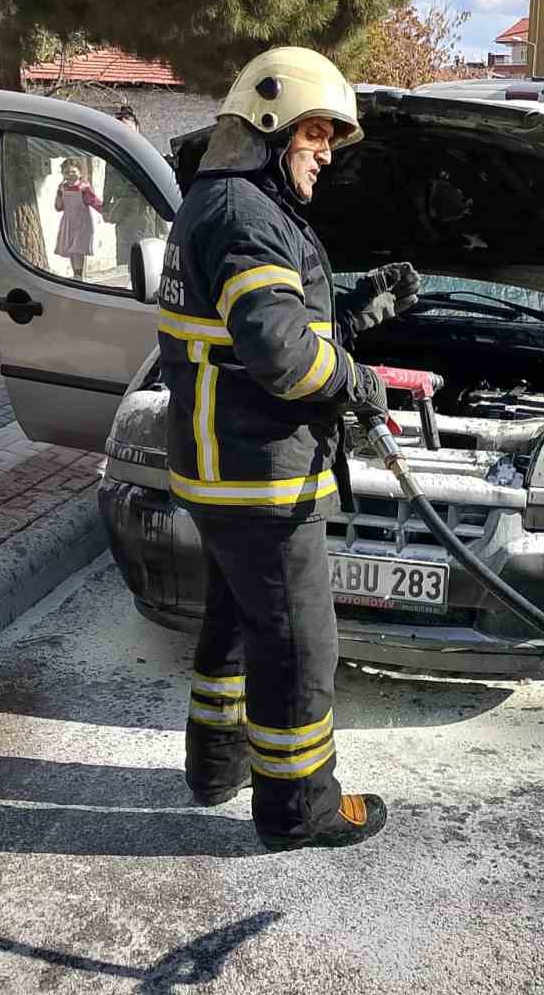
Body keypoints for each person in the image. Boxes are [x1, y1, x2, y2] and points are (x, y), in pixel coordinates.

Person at [159, 46, 419, 851]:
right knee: (302, 642)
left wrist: (360, 310)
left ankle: (216, 765)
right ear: (270, 126)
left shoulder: (224, 202)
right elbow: (281, 354)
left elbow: (267, 325)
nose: (327, 152)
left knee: (237, 624)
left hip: (219, 468)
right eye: (316, 133)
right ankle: (301, 807)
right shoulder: (246, 213)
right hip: (257, 476)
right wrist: (361, 383)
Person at [102, 106, 159, 269]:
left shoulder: (146, 151)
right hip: (122, 209)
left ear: (137, 128)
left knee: (144, 249)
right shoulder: (113, 153)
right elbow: (109, 180)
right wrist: (105, 205)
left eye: (127, 127)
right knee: (124, 250)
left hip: (143, 207)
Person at [53, 157, 102, 280]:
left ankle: (79, 275)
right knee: (70, 248)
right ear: (63, 174)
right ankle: (76, 274)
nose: (70, 175)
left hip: (82, 222)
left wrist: (105, 211)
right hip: (68, 222)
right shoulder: (62, 188)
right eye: (67, 172)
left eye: (73, 172)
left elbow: (93, 201)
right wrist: (58, 195)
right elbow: (59, 207)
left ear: (80, 173)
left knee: (78, 248)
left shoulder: (84, 188)